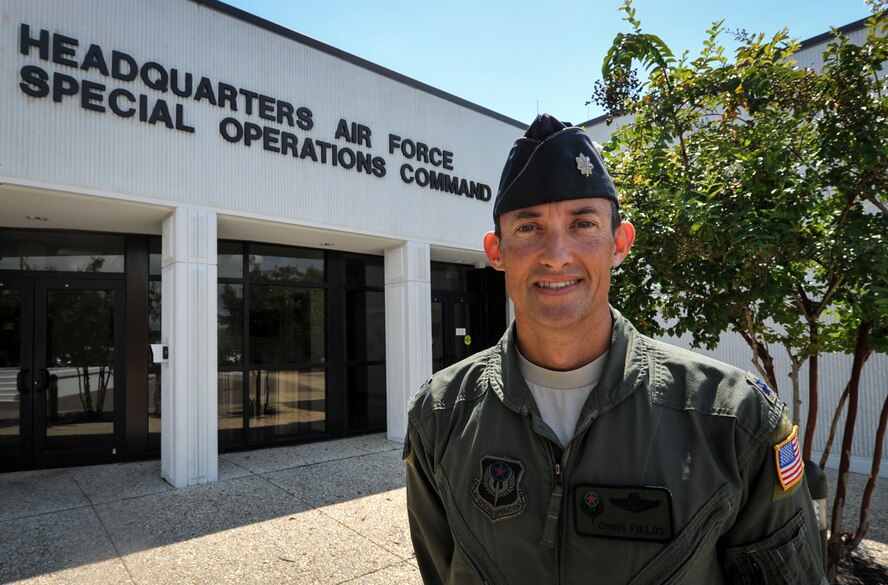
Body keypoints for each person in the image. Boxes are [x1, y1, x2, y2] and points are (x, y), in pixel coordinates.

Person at [403, 113, 826, 585]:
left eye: (583, 223)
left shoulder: (733, 419)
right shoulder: (438, 415)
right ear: (496, 251)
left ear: (619, 244)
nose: (556, 253)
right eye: (528, 227)